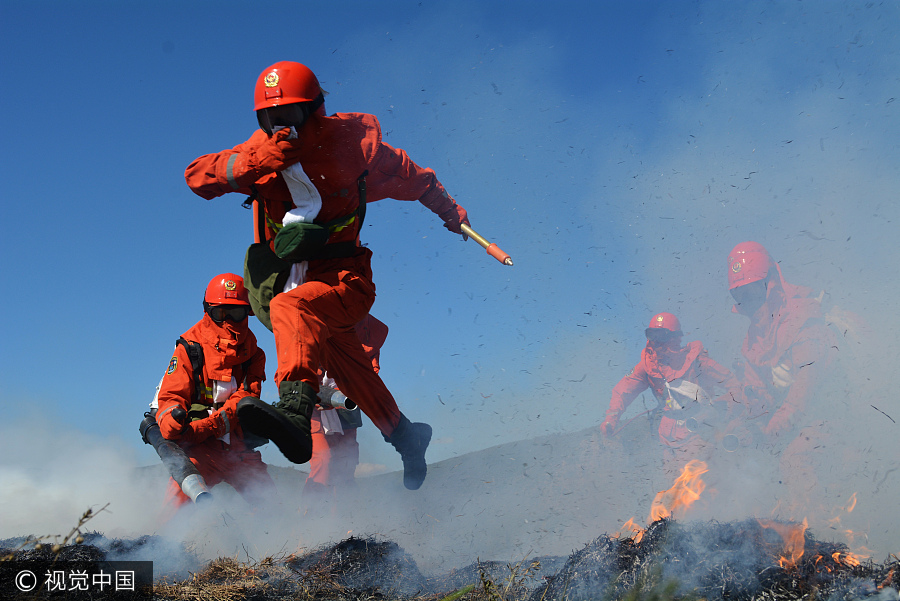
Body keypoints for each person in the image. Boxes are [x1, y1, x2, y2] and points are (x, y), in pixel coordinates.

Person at [185, 61, 470, 490]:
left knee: (290, 306)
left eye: (291, 116)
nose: (281, 127)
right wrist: (253, 160)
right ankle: (407, 436)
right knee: (352, 371)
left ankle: (295, 416)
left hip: (345, 280)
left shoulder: (357, 147)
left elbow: (417, 179)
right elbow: (197, 177)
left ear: (315, 110)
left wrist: (452, 214)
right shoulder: (261, 151)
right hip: (294, 278)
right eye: (270, 118)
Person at [726, 241, 839, 510]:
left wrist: (772, 429)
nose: (748, 299)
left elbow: (805, 387)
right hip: (789, 422)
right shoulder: (753, 338)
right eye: (740, 293)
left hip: (829, 414)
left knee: (795, 460)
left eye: (753, 290)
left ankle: (819, 538)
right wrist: (745, 422)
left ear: (770, 284)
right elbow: (758, 392)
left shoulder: (803, 315)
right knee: (746, 468)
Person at [152, 273, 276, 517]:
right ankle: (161, 552)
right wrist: (172, 421)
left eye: (236, 312)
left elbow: (244, 402)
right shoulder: (189, 348)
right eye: (221, 313)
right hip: (199, 450)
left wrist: (204, 428)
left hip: (238, 449)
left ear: (248, 313)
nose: (228, 320)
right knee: (174, 515)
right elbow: (170, 396)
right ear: (208, 310)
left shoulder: (254, 355)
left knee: (272, 511)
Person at [600, 312, 746, 475]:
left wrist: (721, 409)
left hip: (702, 430)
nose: (655, 341)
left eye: (661, 336)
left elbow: (733, 385)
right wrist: (611, 418)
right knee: (674, 486)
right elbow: (623, 391)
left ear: (675, 337)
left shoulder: (696, 361)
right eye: (652, 335)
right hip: (669, 437)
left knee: (702, 483)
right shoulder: (647, 367)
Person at [303, 314, 389, 510]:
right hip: (314, 408)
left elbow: (370, 375)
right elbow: (290, 376)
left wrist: (352, 391)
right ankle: (308, 526)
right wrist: (316, 394)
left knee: (345, 468)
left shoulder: (367, 330)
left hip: (347, 407)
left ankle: (346, 528)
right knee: (322, 462)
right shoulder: (309, 323)